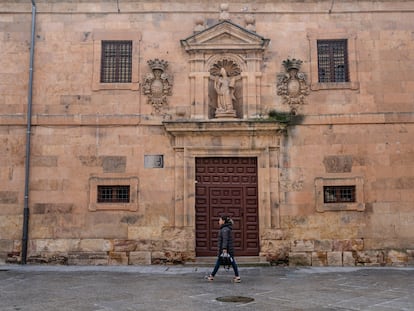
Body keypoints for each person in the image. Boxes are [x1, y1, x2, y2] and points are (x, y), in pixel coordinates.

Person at [206, 215, 241, 283]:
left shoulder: (224, 229)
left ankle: (212, 276)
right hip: (228, 249)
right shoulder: (226, 228)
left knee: (223, 262)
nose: (219, 221)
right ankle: (237, 276)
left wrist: (224, 248)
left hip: (226, 250)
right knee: (230, 262)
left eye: (220, 220)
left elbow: (225, 240)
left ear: (223, 221)